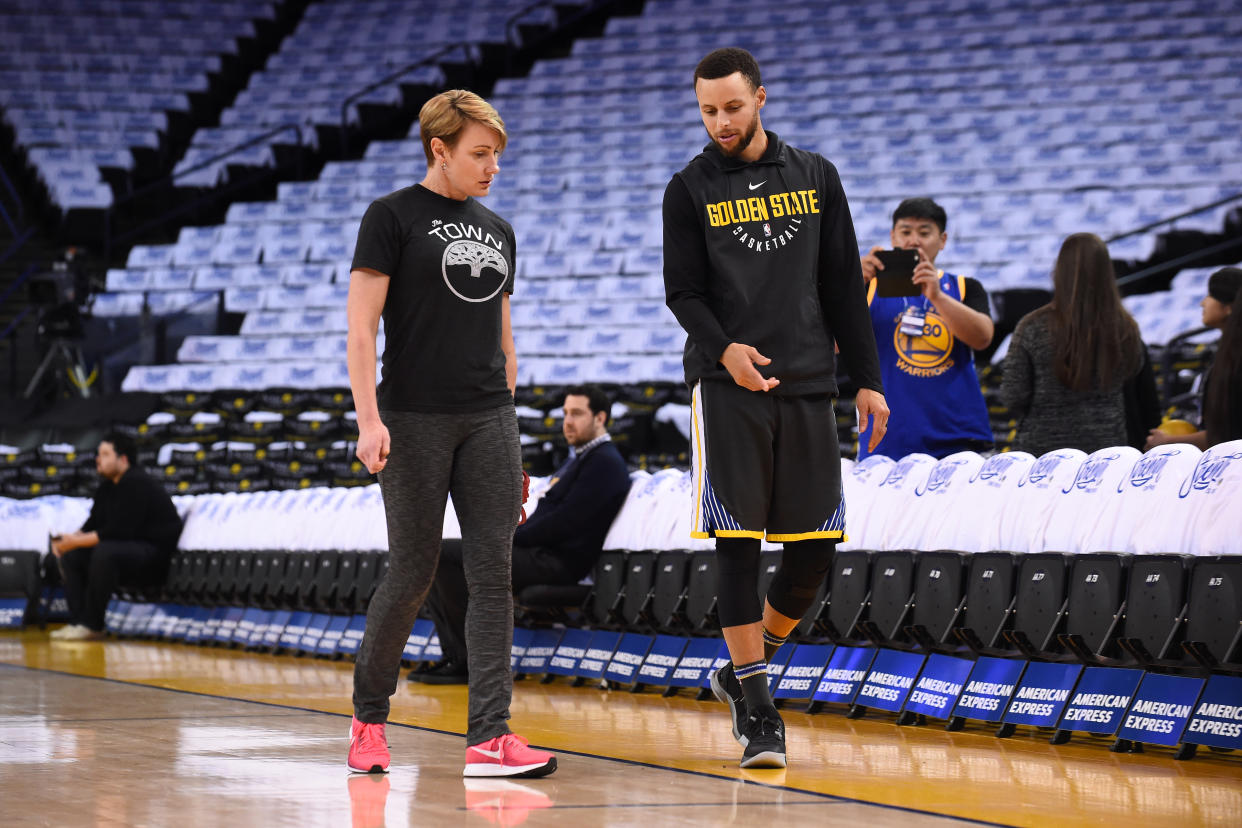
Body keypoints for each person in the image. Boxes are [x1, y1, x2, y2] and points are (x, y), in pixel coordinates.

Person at [662, 47, 889, 769]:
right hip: (727, 386)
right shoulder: (688, 187)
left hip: (808, 383)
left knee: (816, 548)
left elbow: (841, 286)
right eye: (707, 110)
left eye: (732, 107)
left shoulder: (816, 175)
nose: (720, 121)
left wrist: (868, 378)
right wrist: (724, 348)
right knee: (737, 543)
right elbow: (684, 292)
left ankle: (740, 666)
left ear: (761, 97)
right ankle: (759, 710)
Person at [345, 89, 555, 779]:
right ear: (440, 150)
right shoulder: (391, 217)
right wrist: (368, 419)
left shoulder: (498, 229)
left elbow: (503, 335)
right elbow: (361, 326)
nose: (492, 167)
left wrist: (509, 427)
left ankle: (490, 738)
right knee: (413, 572)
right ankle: (368, 721)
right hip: (411, 418)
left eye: (496, 155)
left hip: (489, 416)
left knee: (495, 575)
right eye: (480, 154)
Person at [413, 384, 631, 684]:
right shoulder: (580, 458)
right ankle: (455, 656)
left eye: (577, 414)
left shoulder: (605, 462)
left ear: (600, 418)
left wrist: (508, 538)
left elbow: (565, 522)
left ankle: (466, 662)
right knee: (438, 555)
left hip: (558, 563)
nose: (568, 421)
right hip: (540, 553)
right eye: (565, 413)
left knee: (447, 556)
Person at [857, 197, 994, 460]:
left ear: (942, 240)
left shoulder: (965, 287)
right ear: (892, 236)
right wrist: (849, 286)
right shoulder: (866, 287)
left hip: (959, 438)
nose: (914, 241)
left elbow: (983, 338)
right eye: (906, 232)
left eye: (924, 232)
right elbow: (834, 346)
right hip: (887, 438)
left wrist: (938, 297)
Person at [1001, 232, 1149, 457]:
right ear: (1107, 273)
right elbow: (1133, 373)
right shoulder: (1126, 327)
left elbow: (1012, 395)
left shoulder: (1031, 326)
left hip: (1042, 455)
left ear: (1059, 272)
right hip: (1106, 454)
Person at [48, 432, 182, 641]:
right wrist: (67, 541)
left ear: (123, 459)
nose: (98, 459)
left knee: (105, 552)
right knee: (72, 556)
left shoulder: (138, 482)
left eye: (105, 454)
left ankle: (93, 624)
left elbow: (120, 531)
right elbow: (92, 525)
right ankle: (79, 622)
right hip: (124, 553)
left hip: (155, 558)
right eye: (98, 454)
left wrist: (75, 541)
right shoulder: (107, 487)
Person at [1146, 267, 1242, 450]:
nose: (1202, 303)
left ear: (1228, 308)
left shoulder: (1236, 361)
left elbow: (1226, 437)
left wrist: (1167, 442)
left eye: (1210, 296)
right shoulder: (1225, 353)